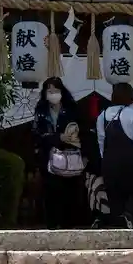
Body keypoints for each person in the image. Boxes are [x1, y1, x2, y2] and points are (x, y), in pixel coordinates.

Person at [97, 81, 133, 228]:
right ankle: (130, 219)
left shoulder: (102, 116)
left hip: (110, 164)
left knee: (115, 199)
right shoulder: (132, 115)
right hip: (130, 164)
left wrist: (106, 161)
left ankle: (119, 224)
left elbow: (101, 143)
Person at [31, 78, 86, 227]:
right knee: (51, 193)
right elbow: (36, 134)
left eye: (56, 91)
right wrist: (57, 137)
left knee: (70, 193)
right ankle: (53, 225)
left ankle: (70, 225)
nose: (53, 94)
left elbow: (84, 131)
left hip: (70, 157)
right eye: (50, 91)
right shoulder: (41, 111)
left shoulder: (72, 109)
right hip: (49, 159)